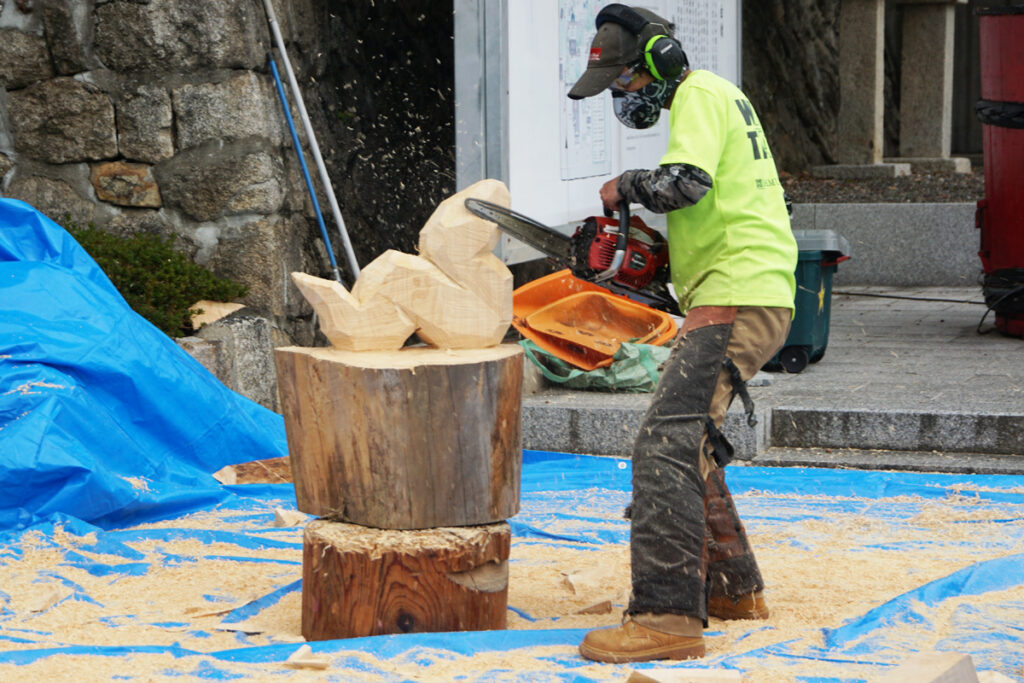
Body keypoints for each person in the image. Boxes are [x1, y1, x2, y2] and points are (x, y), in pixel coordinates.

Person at [566, 4, 798, 663]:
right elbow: (736, 201)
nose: (622, 96)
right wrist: (670, 262)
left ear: (661, 64)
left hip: (738, 293)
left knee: (662, 445)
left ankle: (666, 618)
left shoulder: (696, 93)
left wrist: (623, 187)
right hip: (742, 287)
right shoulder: (722, 100)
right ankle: (730, 587)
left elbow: (686, 184)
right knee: (687, 437)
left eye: (626, 82)